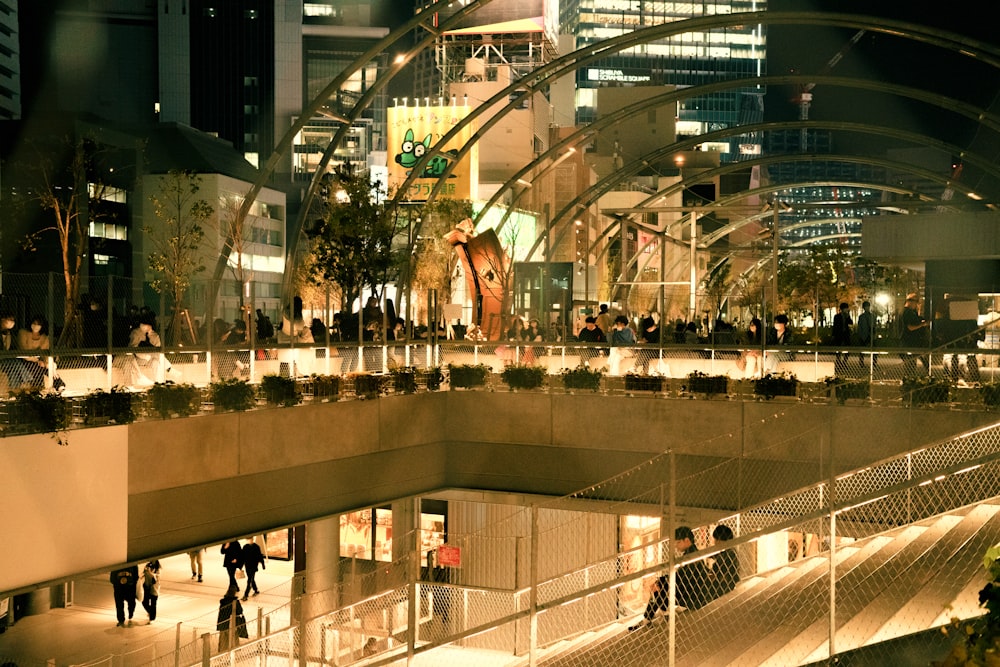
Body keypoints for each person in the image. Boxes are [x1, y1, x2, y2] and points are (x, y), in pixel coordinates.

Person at [629, 526, 709, 631]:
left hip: (692, 595)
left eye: (678, 542)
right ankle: (657, 615)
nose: (676, 546)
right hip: (690, 591)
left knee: (659, 588)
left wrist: (662, 582)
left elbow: (683, 578)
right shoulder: (691, 553)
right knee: (659, 587)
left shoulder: (692, 556)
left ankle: (652, 617)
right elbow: (682, 577)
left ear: (687, 540)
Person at [15, 315, 54, 389]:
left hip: (38, 361)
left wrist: (47, 363)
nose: (36, 326)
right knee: (37, 368)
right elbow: (24, 350)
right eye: (34, 323)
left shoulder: (44, 337)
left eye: (38, 324)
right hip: (25, 359)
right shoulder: (23, 333)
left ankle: (60, 385)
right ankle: (39, 388)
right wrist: (37, 360)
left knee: (48, 368)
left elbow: (45, 352)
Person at [899, 294, 929, 377]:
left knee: (912, 364)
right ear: (910, 302)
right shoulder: (907, 312)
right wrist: (922, 325)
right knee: (910, 366)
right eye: (916, 302)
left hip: (910, 342)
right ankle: (908, 381)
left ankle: (909, 380)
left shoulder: (910, 312)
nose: (917, 304)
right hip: (909, 342)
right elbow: (910, 327)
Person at [707, 525, 739, 601]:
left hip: (722, 590)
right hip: (725, 588)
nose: (714, 543)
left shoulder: (728, 554)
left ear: (720, 540)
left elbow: (721, 574)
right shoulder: (729, 551)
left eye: (715, 540)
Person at [216, 585, 249, 652]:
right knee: (234, 637)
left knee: (223, 638)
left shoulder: (223, 601)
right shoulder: (235, 602)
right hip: (233, 622)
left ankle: (222, 651)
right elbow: (240, 611)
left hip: (223, 623)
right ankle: (234, 650)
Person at [832, 302, 853, 375]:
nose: (846, 310)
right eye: (845, 308)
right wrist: (834, 335)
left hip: (846, 334)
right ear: (842, 309)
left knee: (848, 348)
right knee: (838, 349)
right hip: (839, 334)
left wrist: (848, 317)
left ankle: (844, 362)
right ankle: (838, 362)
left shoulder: (847, 316)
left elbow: (851, 323)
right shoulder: (837, 316)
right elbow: (835, 326)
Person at [855, 300, 877, 369]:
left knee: (874, 350)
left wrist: (875, 333)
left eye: (868, 307)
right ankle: (861, 362)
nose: (867, 308)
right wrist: (860, 335)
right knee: (862, 350)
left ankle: (874, 362)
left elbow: (875, 325)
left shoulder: (872, 316)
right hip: (864, 335)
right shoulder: (861, 317)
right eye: (866, 307)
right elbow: (860, 326)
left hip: (871, 335)